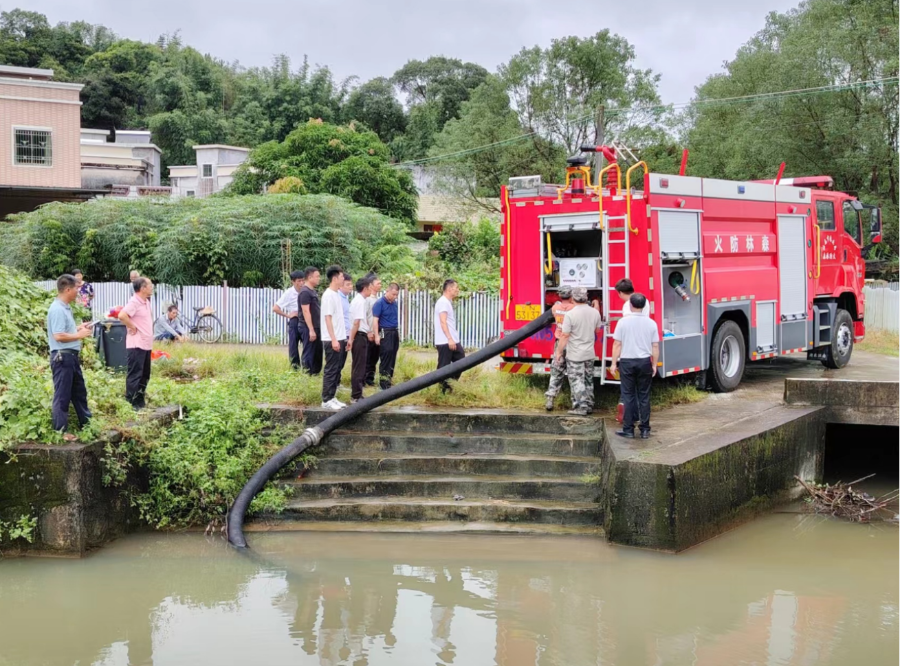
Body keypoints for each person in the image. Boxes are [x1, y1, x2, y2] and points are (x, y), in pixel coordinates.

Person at [47, 274, 94, 440]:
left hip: (71, 357)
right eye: (76, 289)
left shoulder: (65, 307)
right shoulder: (57, 309)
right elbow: (58, 335)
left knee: (79, 392)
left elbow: (64, 330)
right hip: (62, 357)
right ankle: (60, 431)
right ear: (67, 289)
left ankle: (87, 425)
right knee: (63, 395)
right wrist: (79, 335)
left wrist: (78, 328)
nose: (78, 292)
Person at [609, 293, 660, 439]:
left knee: (628, 395)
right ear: (644, 306)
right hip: (644, 362)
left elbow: (617, 344)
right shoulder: (651, 323)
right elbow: (655, 346)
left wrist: (613, 363)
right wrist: (654, 364)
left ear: (630, 305)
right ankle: (645, 430)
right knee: (644, 396)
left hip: (627, 362)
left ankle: (628, 429)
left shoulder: (623, 322)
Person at [554, 287, 604, 416]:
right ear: (586, 297)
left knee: (577, 381)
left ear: (572, 298)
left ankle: (580, 407)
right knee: (588, 380)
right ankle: (589, 404)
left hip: (575, 354)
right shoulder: (595, 313)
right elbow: (597, 330)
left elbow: (565, 335)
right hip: (589, 353)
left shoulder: (570, 314)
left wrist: (559, 352)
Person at [118, 277, 154, 409]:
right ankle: (131, 402)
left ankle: (140, 401)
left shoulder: (146, 301)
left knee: (145, 374)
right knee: (135, 374)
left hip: (146, 343)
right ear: (143, 288)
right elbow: (122, 315)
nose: (152, 287)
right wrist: (132, 326)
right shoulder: (134, 302)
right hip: (136, 344)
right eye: (150, 285)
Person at [320, 265, 348, 409]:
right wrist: (334, 339)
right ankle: (326, 400)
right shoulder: (328, 295)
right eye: (342, 277)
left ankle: (332, 396)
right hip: (332, 339)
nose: (344, 279)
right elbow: (328, 318)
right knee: (331, 369)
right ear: (335, 278)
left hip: (339, 337)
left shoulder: (336, 294)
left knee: (337, 369)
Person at [545, 286, 575, 411]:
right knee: (575, 374)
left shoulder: (555, 308)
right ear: (571, 296)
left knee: (556, 372)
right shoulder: (575, 308)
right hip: (572, 343)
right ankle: (577, 403)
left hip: (559, 344)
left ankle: (550, 400)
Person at [434, 279, 464, 393]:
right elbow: (443, 321)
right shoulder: (443, 302)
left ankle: (449, 385)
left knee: (461, 361)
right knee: (443, 367)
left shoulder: (447, 302)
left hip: (451, 340)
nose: (457, 290)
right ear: (450, 289)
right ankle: (442, 391)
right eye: (456, 288)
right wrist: (449, 338)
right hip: (445, 341)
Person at [349, 276, 375, 403]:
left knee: (360, 365)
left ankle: (357, 394)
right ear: (365, 288)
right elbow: (356, 322)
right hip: (359, 335)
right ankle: (356, 395)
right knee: (359, 366)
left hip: (360, 334)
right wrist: (351, 339)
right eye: (370, 287)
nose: (371, 289)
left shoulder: (361, 300)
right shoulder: (359, 301)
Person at [273, 270, 305, 369]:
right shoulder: (289, 293)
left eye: (303, 280)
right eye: (299, 281)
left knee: (308, 345)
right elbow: (275, 308)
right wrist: (288, 315)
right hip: (295, 321)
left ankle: (307, 367)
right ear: (293, 281)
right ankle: (295, 368)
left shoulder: (306, 291)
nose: (301, 283)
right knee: (293, 346)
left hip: (305, 320)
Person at [372, 282, 400, 390]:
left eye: (396, 294)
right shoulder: (379, 303)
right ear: (387, 291)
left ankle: (389, 380)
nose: (395, 296)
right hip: (385, 331)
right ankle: (383, 383)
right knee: (386, 356)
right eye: (393, 294)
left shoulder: (394, 303)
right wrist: (376, 335)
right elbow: (375, 320)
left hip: (394, 331)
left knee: (392, 356)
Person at [298, 267, 323, 375]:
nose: (319, 278)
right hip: (308, 326)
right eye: (317, 276)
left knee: (317, 351)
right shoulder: (305, 292)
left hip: (316, 326)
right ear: (309, 277)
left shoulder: (312, 291)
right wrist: (311, 330)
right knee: (309, 351)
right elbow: (305, 311)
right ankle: (307, 373)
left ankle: (315, 372)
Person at [364, 274, 383, 387]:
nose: (380, 285)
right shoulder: (367, 299)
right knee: (368, 357)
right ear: (371, 285)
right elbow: (365, 316)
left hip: (376, 332)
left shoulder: (378, 299)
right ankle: (365, 378)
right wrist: (368, 331)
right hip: (369, 332)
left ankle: (370, 378)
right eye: (378, 283)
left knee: (374, 357)